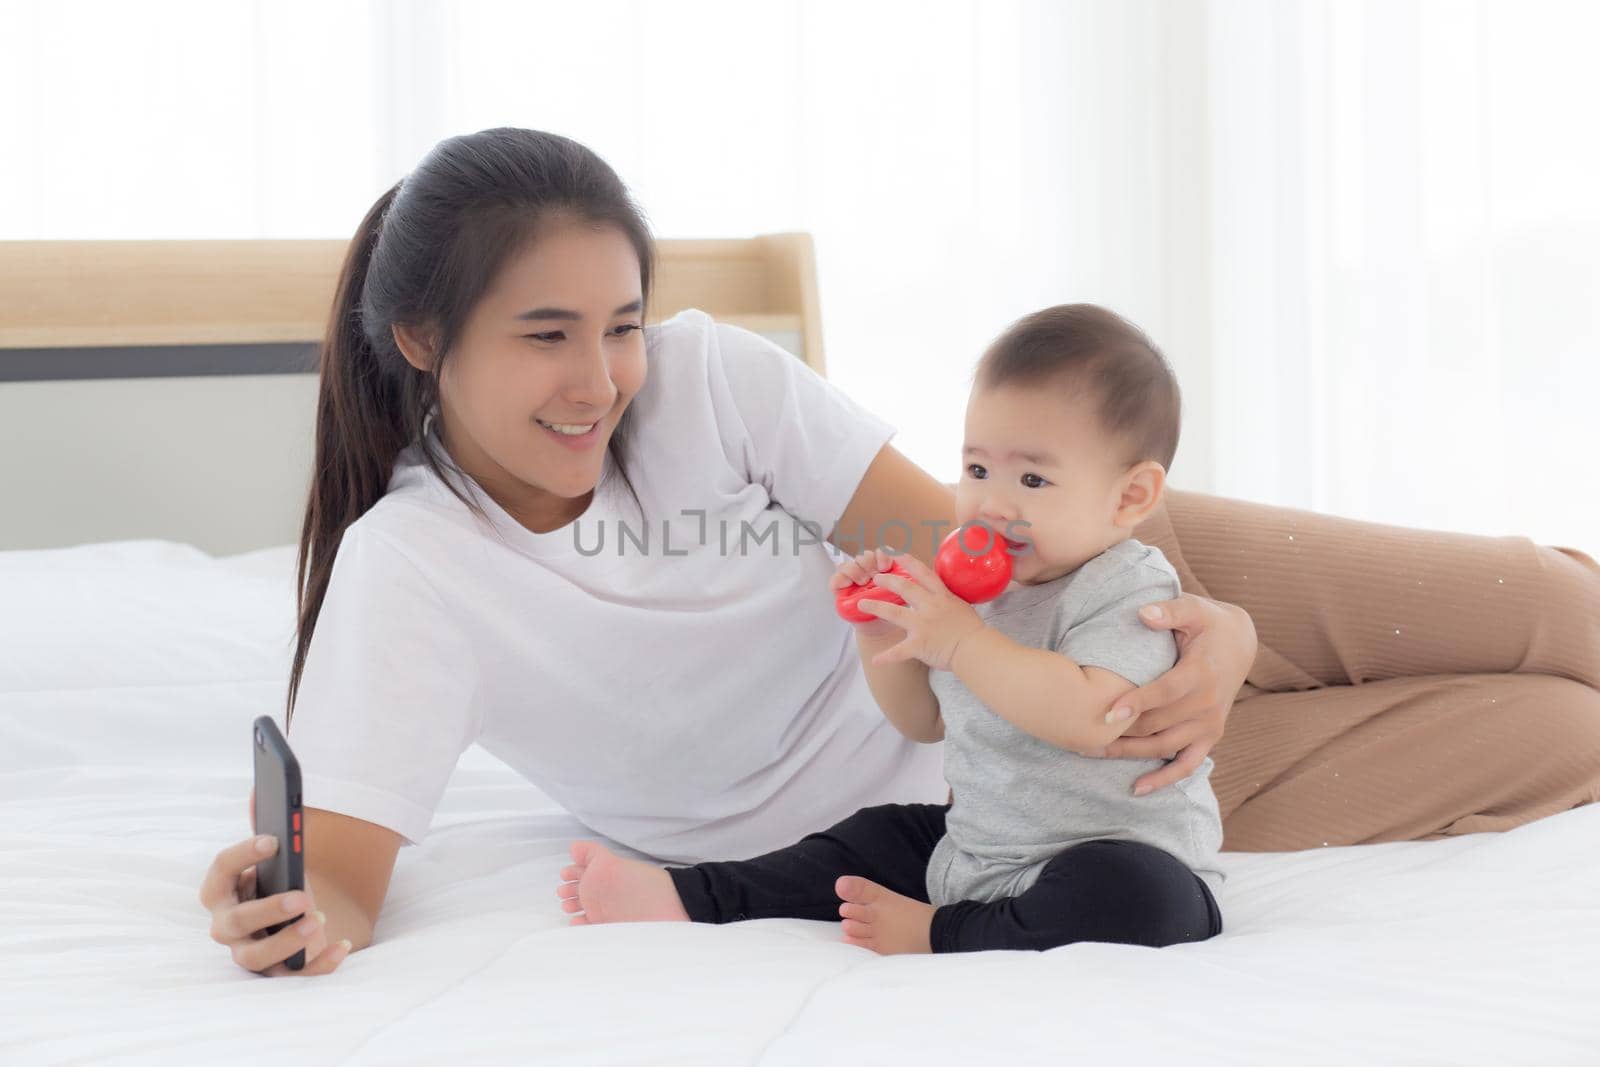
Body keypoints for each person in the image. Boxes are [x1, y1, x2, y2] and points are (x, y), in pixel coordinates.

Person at [196, 127, 1600, 978]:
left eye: (618, 321)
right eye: (544, 334)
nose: (600, 378)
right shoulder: (413, 570)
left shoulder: (706, 381)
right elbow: (345, 874)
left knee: (1546, 598)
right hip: (1036, 802)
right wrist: (287, 908)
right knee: (1559, 733)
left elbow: (973, 550)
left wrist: (1215, 622)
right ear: (424, 339)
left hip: (1101, 567)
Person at [557, 304, 1227, 955]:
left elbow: (1092, 716)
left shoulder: (1129, 589)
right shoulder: (978, 590)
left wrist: (962, 640)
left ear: (1131, 496)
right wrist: (884, 635)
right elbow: (924, 721)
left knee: (1138, 891)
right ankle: (691, 895)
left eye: (1031, 477)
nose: (992, 502)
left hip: (1112, 856)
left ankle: (945, 932)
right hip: (981, 848)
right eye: (976, 469)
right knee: (870, 838)